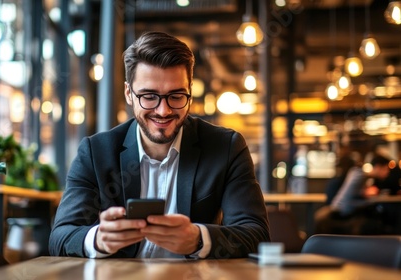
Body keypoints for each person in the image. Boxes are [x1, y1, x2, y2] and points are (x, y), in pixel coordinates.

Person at [49, 31, 270, 259]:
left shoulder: (227, 147)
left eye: (176, 96)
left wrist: (198, 239)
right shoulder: (96, 152)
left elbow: (256, 235)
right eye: (149, 96)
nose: (163, 111)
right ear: (129, 93)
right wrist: (98, 240)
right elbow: (60, 237)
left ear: (190, 94)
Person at [314, 153, 392, 235]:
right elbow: (348, 201)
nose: (387, 172)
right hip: (342, 214)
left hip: (339, 211)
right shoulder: (359, 174)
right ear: (378, 167)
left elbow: (353, 194)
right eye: (385, 169)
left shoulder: (357, 174)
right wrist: (373, 201)